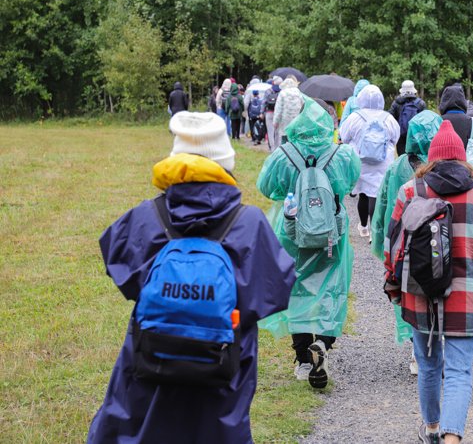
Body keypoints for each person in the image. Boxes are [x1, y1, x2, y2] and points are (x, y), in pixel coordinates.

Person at [87, 111, 296, 443]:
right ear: (225, 162)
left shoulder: (146, 217)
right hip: (223, 367)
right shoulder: (250, 224)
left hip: (150, 359)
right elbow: (273, 292)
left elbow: (121, 269)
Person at [383, 120, 473, 444]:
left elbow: (392, 245)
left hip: (419, 294)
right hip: (465, 297)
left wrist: (393, 285)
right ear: (462, 158)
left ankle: (433, 428)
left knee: (427, 366)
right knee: (459, 371)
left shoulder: (410, 191)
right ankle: (452, 439)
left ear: (431, 158)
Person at [256, 100, 360, 388]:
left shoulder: (284, 155)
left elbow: (265, 187)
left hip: (292, 233)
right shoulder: (342, 155)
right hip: (332, 234)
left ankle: (303, 359)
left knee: (296, 290)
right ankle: (323, 344)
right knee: (332, 289)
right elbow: (350, 183)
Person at [371, 110, 442, 374]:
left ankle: (418, 349)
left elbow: (382, 208)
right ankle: (438, 344)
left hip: (404, 244)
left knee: (410, 296)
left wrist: (381, 243)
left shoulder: (397, 167)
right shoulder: (445, 168)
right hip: (439, 243)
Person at [339, 84, 400, 239]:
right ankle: (374, 231)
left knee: (363, 194)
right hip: (382, 162)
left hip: (361, 162)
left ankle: (364, 227)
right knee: (377, 195)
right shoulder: (388, 118)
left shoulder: (355, 117)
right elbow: (396, 137)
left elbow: (344, 137)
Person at [437, 85, 473, 155]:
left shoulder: (436, 122)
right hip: (467, 165)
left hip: (442, 164)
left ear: (443, 102)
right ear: (463, 102)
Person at [390, 79, 427, 155]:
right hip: (416, 136)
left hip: (401, 137)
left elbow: (390, 118)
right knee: (415, 159)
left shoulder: (396, 103)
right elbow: (425, 121)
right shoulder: (420, 103)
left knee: (402, 158)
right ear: (414, 90)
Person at [263, 77, 282, 150]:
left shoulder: (268, 91)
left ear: (273, 82)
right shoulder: (281, 91)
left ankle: (272, 147)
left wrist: (262, 112)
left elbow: (264, 102)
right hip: (278, 113)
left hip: (269, 112)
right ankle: (277, 148)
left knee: (270, 131)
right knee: (277, 132)